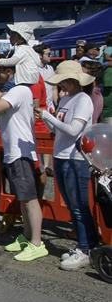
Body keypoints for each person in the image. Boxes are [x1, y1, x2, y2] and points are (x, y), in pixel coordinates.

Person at [40, 60, 98, 270]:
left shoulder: (83, 99)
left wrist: (48, 116)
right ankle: (86, 246)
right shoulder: (68, 99)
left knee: (79, 206)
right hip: (62, 155)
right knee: (74, 205)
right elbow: (59, 130)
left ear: (74, 80)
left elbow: (74, 130)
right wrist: (47, 117)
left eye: (63, 82)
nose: (61, 85)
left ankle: (86, 248)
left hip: (75, 158)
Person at [0, 65, 46, 262]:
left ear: (12, 73)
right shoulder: (18, 91)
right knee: (23, 198)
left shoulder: (18, 90)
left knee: (29, 198)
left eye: (2, 71)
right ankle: (28, 237)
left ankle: (37, 243)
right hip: (15, 152)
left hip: (20, 153)